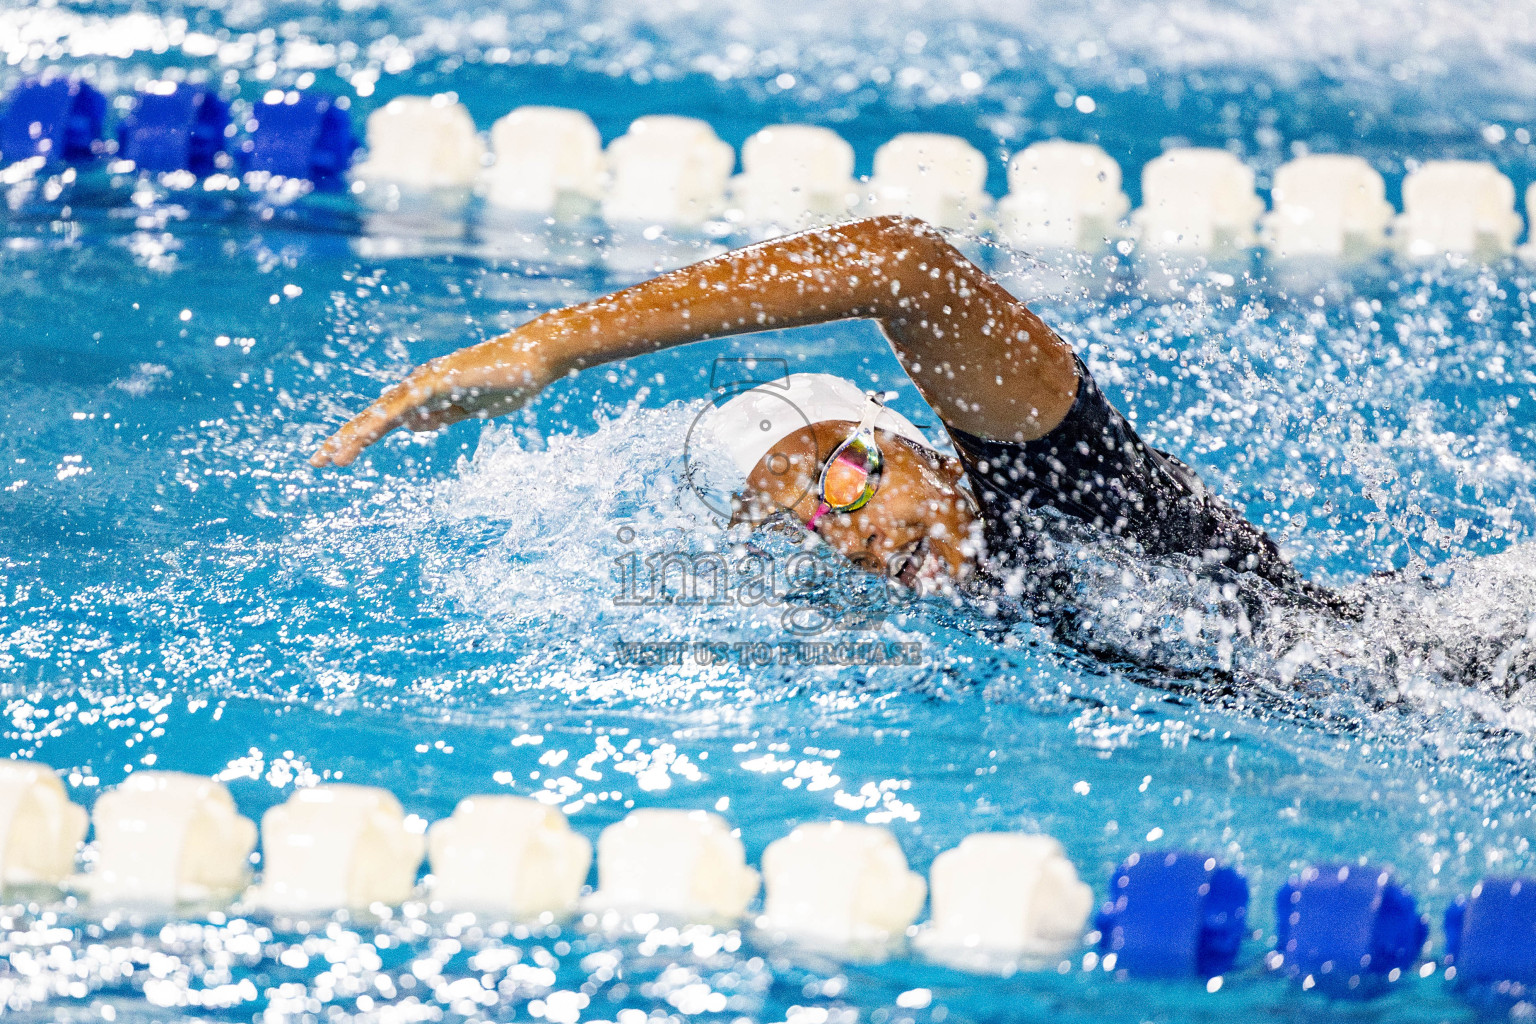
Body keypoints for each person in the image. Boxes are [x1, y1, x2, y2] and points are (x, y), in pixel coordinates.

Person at [311, 215, 1348, 616]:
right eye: (802, 522)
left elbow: (906, 266)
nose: (844, 530)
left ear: (911, 443)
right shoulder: (977, 611)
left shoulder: (1046, 484)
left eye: (841, 476)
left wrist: (545, 346)